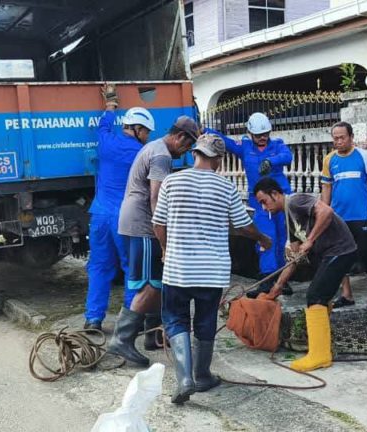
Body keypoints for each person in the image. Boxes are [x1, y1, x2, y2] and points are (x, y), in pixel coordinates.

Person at [153, 134, 272, 404]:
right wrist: (263, 239)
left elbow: (158, 223)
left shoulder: (172, 181)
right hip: (212, 271)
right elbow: (243, 226)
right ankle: (203, 375)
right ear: (217, 158)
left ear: (195, 153)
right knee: (205, 321)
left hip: (178, 269)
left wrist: (165, 249)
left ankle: (185, 379)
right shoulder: (225, 187)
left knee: (175, 320)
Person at [108, 115, 200, 366]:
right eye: (188, 146)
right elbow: (156, 199)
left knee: (157, 281)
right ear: (180, 137)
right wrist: (164, 241)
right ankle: (122, 338)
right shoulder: (161, 155)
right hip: (144, 225)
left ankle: (152, 335)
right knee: (151, 285)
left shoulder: (153, 147)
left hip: (135, 221)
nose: (187, 152)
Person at [253, 177, 358, 372]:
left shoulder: (295, 201)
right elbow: (294, 259)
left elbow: (326, 211)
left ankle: (320, 355)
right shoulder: (288, 219)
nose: (264, 207)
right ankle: (322, 346)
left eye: (263, 201)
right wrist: (276, 288)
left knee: (315, 296)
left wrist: (309, 240)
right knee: (321, 295)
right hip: (329, 253)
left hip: (341, 249)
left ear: (275, 194)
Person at [83, 83, 155, 334]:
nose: (148, 136)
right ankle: (128, 323)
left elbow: (103, 125)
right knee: (130, 268)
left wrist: (111, 105)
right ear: (137, 129)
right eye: (146, 131)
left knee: (99, 267)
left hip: (100, 214)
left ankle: (93, 320)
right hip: (124, 218)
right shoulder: (142, 152)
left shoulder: (106, 142)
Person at [205, 113, 293, 297]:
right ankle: (267, 278)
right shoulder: (245, 147)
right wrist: (203, 130)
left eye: (265, 134)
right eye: (258, 135)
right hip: (261, 203)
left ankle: (282, 279)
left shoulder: (277, 145)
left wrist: (271, 161)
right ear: (250, 133)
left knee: (283, 239)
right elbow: (225, 141)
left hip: (281, 200)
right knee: (267, 238)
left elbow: (287, 156)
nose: (263, 138)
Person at [320, 121, 367, 308]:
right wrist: (323, 216)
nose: (338, 141)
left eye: (342, 138)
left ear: (351, 138)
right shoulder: (329, 160)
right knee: (340, 255)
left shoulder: (364, 156)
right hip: (338, 217)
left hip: (360, 216)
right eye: (335, 138)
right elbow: (326, 189)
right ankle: (347, 294)